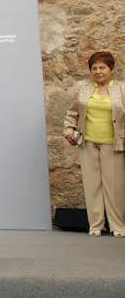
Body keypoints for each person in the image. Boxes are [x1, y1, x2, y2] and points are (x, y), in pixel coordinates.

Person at [63, 51, 125, 237]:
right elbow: (72, 113)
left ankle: (118, 226)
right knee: (92, 186)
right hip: (88, 142)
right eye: (94, 68)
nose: (98, 71)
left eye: (102, 67)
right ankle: (96, 225)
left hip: (113, 144)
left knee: (114, 187)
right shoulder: (83, 89)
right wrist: (69, 131)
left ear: (111, 70)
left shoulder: (121, 89)